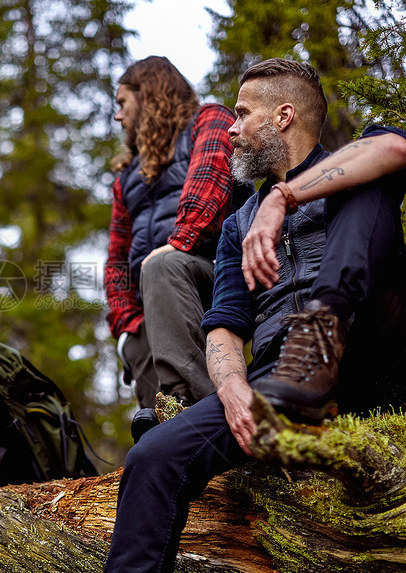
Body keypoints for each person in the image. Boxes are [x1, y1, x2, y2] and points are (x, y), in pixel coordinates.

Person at [104, 58, 406, 572]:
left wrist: (283, 197)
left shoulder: (356, 161)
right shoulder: (239, 221)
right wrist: (233, 389)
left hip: (371, 356)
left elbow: (394, 149)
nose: (230, 130)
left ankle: (321, 334)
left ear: (283, 116)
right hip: (281, 385)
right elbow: (225, 322)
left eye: (241, 114)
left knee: (364, 183)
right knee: (152, 458)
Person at [104, 56, 251, 437]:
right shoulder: (126, 179)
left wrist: (175, 245)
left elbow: (211, 183)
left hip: (218, 278)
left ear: (150, 94)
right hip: (156, 299)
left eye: (122, 103)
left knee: (162, 269)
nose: (117, 116)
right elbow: (117, 257)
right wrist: (124, 325)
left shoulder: (210, 120)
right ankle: (165, 441)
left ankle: (197, 412)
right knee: (155, 434)